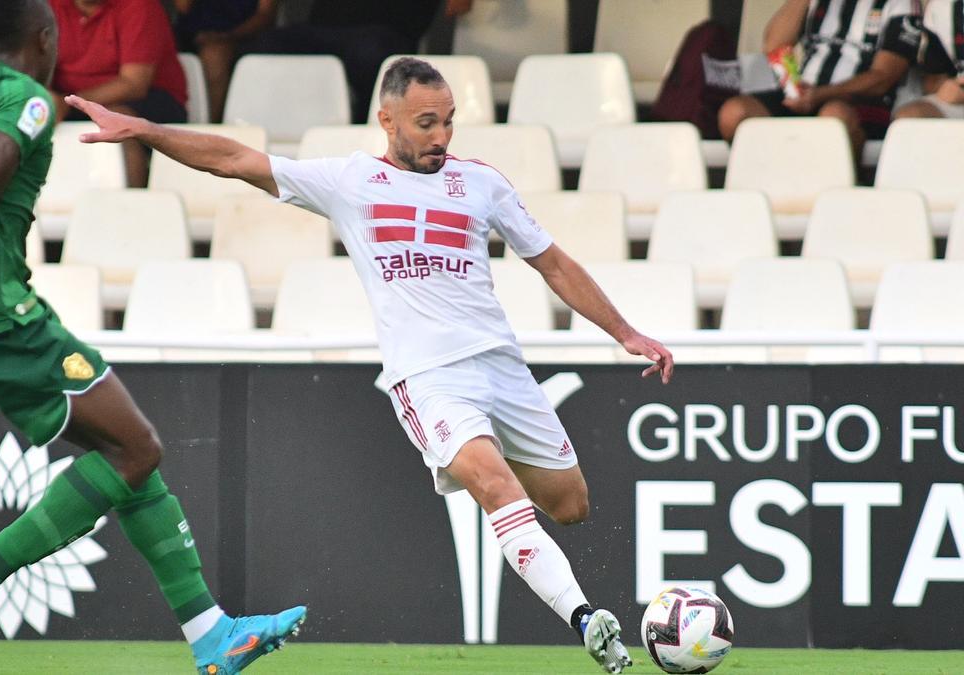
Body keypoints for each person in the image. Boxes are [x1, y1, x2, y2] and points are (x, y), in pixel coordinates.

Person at [69, 56, 673, 674]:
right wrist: (145, 130)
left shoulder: (481, 183)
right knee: (496, 487)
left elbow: (554, 264)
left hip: (502, 367)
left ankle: (489, 466)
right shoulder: (351, 183)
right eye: (426, 123)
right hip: (429, 377)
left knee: (571, 505)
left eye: (449, 123)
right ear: (387, 121)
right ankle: (585, 618)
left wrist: (623, 332)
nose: (441, 137)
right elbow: (233, 160)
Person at [0, 2, 304, 673]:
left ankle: (212, 633)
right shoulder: (27, 100)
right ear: (45, 41)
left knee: (127, 450)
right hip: (0, 317)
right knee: (137, 446)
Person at [718, 0, 923, 155]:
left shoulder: (899, 4)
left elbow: (883, 77)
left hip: (858, 101)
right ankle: (771, 184)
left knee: (833, 118)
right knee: (734, 113)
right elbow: (774, 46)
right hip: (805, 93)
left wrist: (820, 95)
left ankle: (834, 194)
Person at [243, 0, 471, 123]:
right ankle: (280, 128)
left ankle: (365, 128)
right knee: (266, 44)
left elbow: (458, 7)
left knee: (370, 51)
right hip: (325, 28)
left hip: (388, 32)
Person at [49, 0, 187, 188]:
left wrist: (70, 103)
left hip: (149, 101)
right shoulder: (47, 7)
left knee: (117, 120)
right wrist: (48, 99)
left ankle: (131, 207)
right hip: (72, 100)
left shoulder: (140, 5)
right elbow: (33, 70)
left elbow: (134, 84)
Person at [173, 0, 276, 123]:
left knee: (214, 55)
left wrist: (228, 36)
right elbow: (183, 7)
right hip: (194, 34)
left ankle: (210, 127)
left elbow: (265, 15)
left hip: (245, 36)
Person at [894, 0, 964, 118]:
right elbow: (932, 81)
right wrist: (948, 87)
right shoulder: (940, 7)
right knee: (909, 117)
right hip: (959, 100)